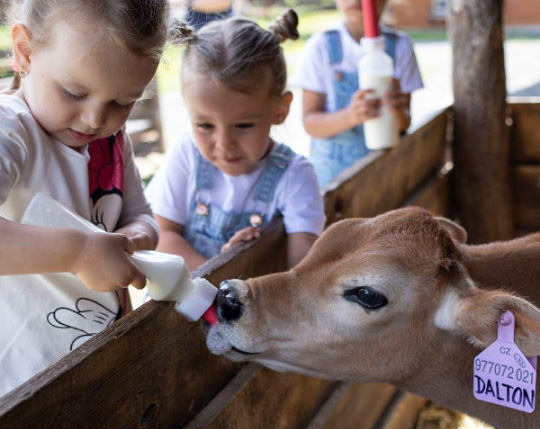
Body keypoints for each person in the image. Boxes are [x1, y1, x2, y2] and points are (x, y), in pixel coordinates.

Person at [0, 0, 170, 396]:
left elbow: (141, 216)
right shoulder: (11, 131)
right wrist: (77, 253)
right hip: (23, 386)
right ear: (24, 52)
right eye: (74, 92)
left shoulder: (110, 141)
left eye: (123, 102)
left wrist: (133, 240)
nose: (96, 119)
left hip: (101, 363)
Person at [145, 10, 326, 272]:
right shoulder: (187, 153)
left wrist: (240, 269)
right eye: (205, 125)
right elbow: (162, 235)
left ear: (280, 110)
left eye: (243, 125)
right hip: (178, 306)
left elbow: (303, 266)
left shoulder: (295, 176)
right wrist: (220, 270)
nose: (224, 142)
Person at [292, 0, 423, 187]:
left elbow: (403, 125)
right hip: (333, 180)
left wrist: (397, 111)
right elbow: (311, 123)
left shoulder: (400, 47)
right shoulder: (320, 47)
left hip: (383, 174)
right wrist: (350, 116)